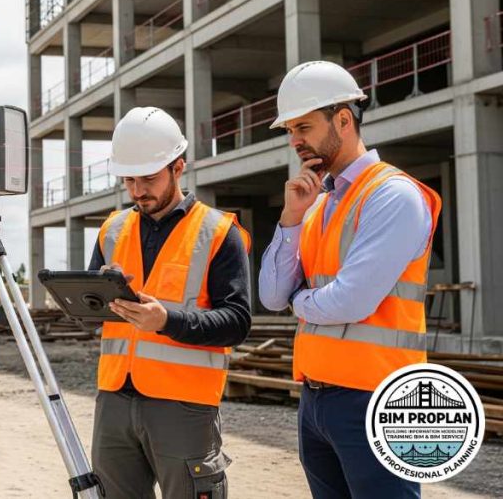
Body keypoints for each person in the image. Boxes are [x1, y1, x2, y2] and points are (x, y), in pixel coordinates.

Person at [259, 61, 440, 498]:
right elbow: (270, 294)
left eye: (304, 126)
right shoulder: (318, 204)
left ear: (343, 119)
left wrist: (299, 302)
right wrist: (290, 220)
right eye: (290, 131)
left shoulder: (392, 195)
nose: (295, 140)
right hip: (316, 400)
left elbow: (351, 301)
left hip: (376, 398)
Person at [89, 107, 252, 498]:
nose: (138, 190)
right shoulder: (112, 229)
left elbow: (236, 321)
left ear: (178, 167)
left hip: (184, 404)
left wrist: (166, 320)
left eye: (148, 178)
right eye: (129, 180)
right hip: (113, 399)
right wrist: (93, 297)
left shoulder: (219, 232)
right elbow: (92, 313)